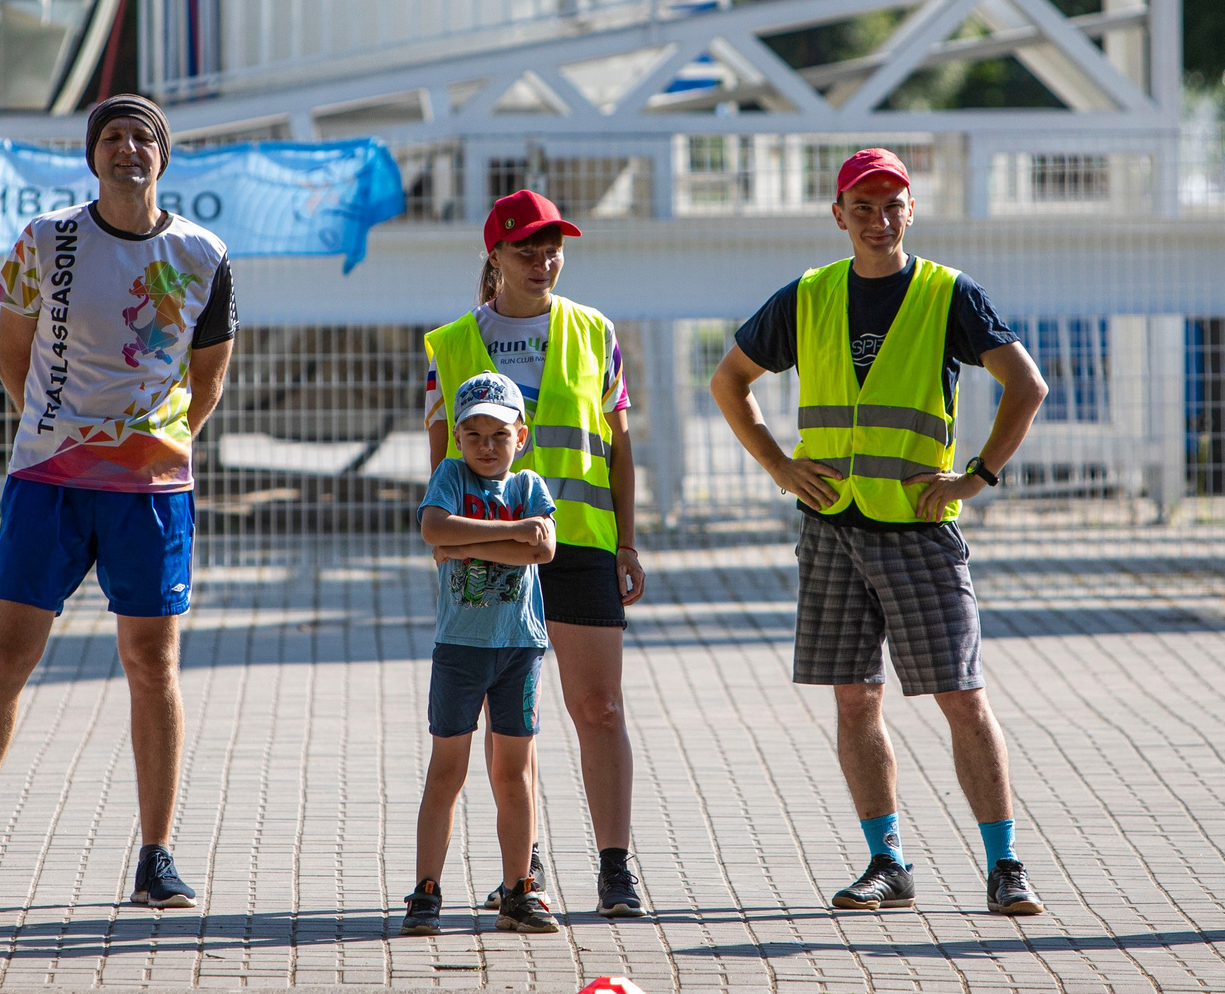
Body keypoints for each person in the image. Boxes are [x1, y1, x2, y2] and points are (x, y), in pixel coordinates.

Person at [708, 147, 1052, 917]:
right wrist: (777, 466)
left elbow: (1027, 385)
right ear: (838, 215)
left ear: (910, 211)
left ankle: (1005, 865)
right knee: (855, 700)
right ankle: (886, 862)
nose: (877, 219)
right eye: (861, 206)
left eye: (891, 204)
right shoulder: (808, 296)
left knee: (962, 698)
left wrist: (976, 477)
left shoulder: (947, 295)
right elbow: (728, 380)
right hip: (830, 527)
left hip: (918, 530)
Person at [0, 95, 238, 911]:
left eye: (142, 136)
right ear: (92, 156)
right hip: (49, 480)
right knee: (8, 659)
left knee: (153, 665)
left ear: (163, 156)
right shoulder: (47, 239)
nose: (127, 148)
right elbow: (13, 355)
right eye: (112, 137)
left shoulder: (204, 253)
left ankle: (156, 855)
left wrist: (156, 443)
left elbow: (209, 379)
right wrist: (61, 434)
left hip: (152, 490)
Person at [424, 189, 647, 919]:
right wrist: (446, 545)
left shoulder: (594, 330)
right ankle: (528, 867)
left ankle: (615, 868)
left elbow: (618, 445)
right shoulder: (452, 342)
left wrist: (628, 540)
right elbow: (439, 459)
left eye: (553, 246)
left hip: (579, 541)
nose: (543, 259)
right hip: (491, 549)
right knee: (508, 717)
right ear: (495, 256)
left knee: (599, 706)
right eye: (526, 248)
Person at [401, 372, 562, 936]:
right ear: (458, 439)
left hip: (519, 648)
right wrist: (510, 537)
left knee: (513, 773)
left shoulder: (530, 488)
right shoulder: (448, 475)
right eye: (472, 435)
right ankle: (426, 890)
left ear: (522, 436)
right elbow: (431, 529)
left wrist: (463, 544)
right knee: (448, 769)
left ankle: (519, 889)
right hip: (460, 649)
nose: (486, 446)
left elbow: (543, 547)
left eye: (499, 434)